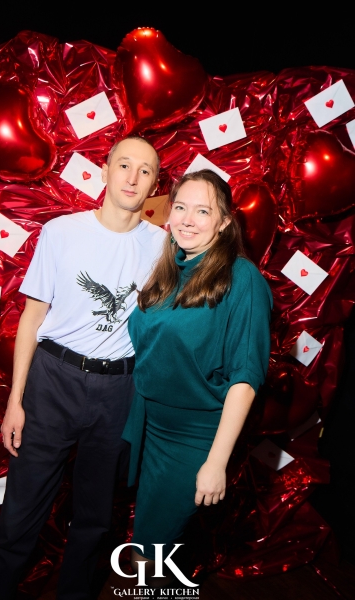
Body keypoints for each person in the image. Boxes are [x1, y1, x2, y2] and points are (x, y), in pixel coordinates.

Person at [0, 136, 167, 600]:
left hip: (119, 391)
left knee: (95, 519)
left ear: (155, 185)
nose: (133, 177)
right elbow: (32, 319)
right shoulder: (61, 231)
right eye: (124, 165)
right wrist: (15, 401)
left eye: (145, 171)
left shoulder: (164, 246)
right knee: (21, 512)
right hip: (53, 381)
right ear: (104, 171)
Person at [122, 169, 273, 587]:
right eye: (181, 208)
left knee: (150, 549)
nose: (187, 220)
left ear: (224, 222)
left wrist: (216, 462)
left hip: (192, 437)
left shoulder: (242, 279)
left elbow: (245, 377)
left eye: (203, 211)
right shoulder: (171, 269)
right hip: (148, 423)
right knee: (145, 544)